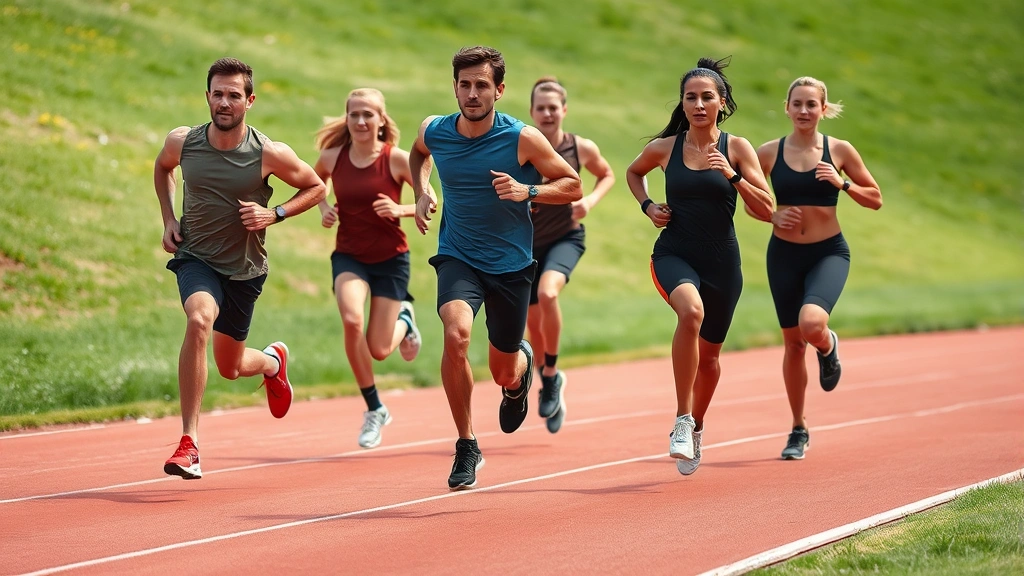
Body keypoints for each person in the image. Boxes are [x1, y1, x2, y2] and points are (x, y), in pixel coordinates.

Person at [409, 46, 582, 490]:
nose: (471, 93)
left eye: (481, 85)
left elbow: (572, 184)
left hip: (510, 266)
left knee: (502, 368)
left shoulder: (522, 137)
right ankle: (466, 444)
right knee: (455, 333)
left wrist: (528, 191)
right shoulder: (436, 130)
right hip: (458, 255)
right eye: (464, 84)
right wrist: (422, 190)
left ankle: (519, 373)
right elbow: (418, 154)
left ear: (499, 90)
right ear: (454, 87)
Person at [154, 57, 326, 479]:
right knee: (198, 319)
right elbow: (162, 169)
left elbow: (317, 186)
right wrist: (169, 218)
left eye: (234, 95)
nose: (225, 102)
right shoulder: (184, 142)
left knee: (230, 367)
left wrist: (276, 213)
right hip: (196, 258)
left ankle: (271, 363)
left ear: (249, 100)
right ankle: (189, 443)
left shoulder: (269, 153)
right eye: (218, 94)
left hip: (245, 270)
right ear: (207, 97)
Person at [625, 57, 774, 476]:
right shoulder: (666, 148)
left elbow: (767, 209)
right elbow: (633, 173)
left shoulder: (738, 148)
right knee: (691, 312)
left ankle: (698, 427)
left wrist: (734, 176)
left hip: (723, 263)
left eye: (707, 96)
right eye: (691, 97)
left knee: (709, 358)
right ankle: (682, 420)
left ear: (722, 103)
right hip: (674, 253)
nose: (698, 104)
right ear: (684, 103)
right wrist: (648, 205)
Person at [755, 77, 882, 460]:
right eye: (798, 104)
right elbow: (752, 202)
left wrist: (842, 183)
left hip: (828, 253)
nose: (805, 111)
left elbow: (875, 199)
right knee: (793, 345)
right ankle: (798, 428)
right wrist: (773, 215)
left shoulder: (839, 150)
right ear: (787, 107)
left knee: (812, 326)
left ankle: (828, 346)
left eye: (812, 104)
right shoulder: (768, 153)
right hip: (783, 256)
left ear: (823, 109)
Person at [313, 88, 430, 450]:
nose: (361, 121)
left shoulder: (395, 160)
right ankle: (374, 408)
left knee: (379, 348)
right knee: (351, 320)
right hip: (349, 255)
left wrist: (402, 210)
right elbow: (313, 184)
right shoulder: (332, 157)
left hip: (391, 260)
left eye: (368, 115)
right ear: (346, 119)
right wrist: (324, 208)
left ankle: (406, 320)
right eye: (354, 115)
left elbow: (431, 200)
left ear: (382, 120)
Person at [526, 77, 615, 434]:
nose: (547, 113)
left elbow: (607, 174)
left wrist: (589, 201)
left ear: (564, 110)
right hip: (526, 244)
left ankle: (550, 373)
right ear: (531, 112)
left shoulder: (581, 148)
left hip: (566, 237)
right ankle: (551, 380)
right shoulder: (521, 145)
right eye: (540, 108)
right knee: (532, 325)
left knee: (549, 293)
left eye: (553, 107)